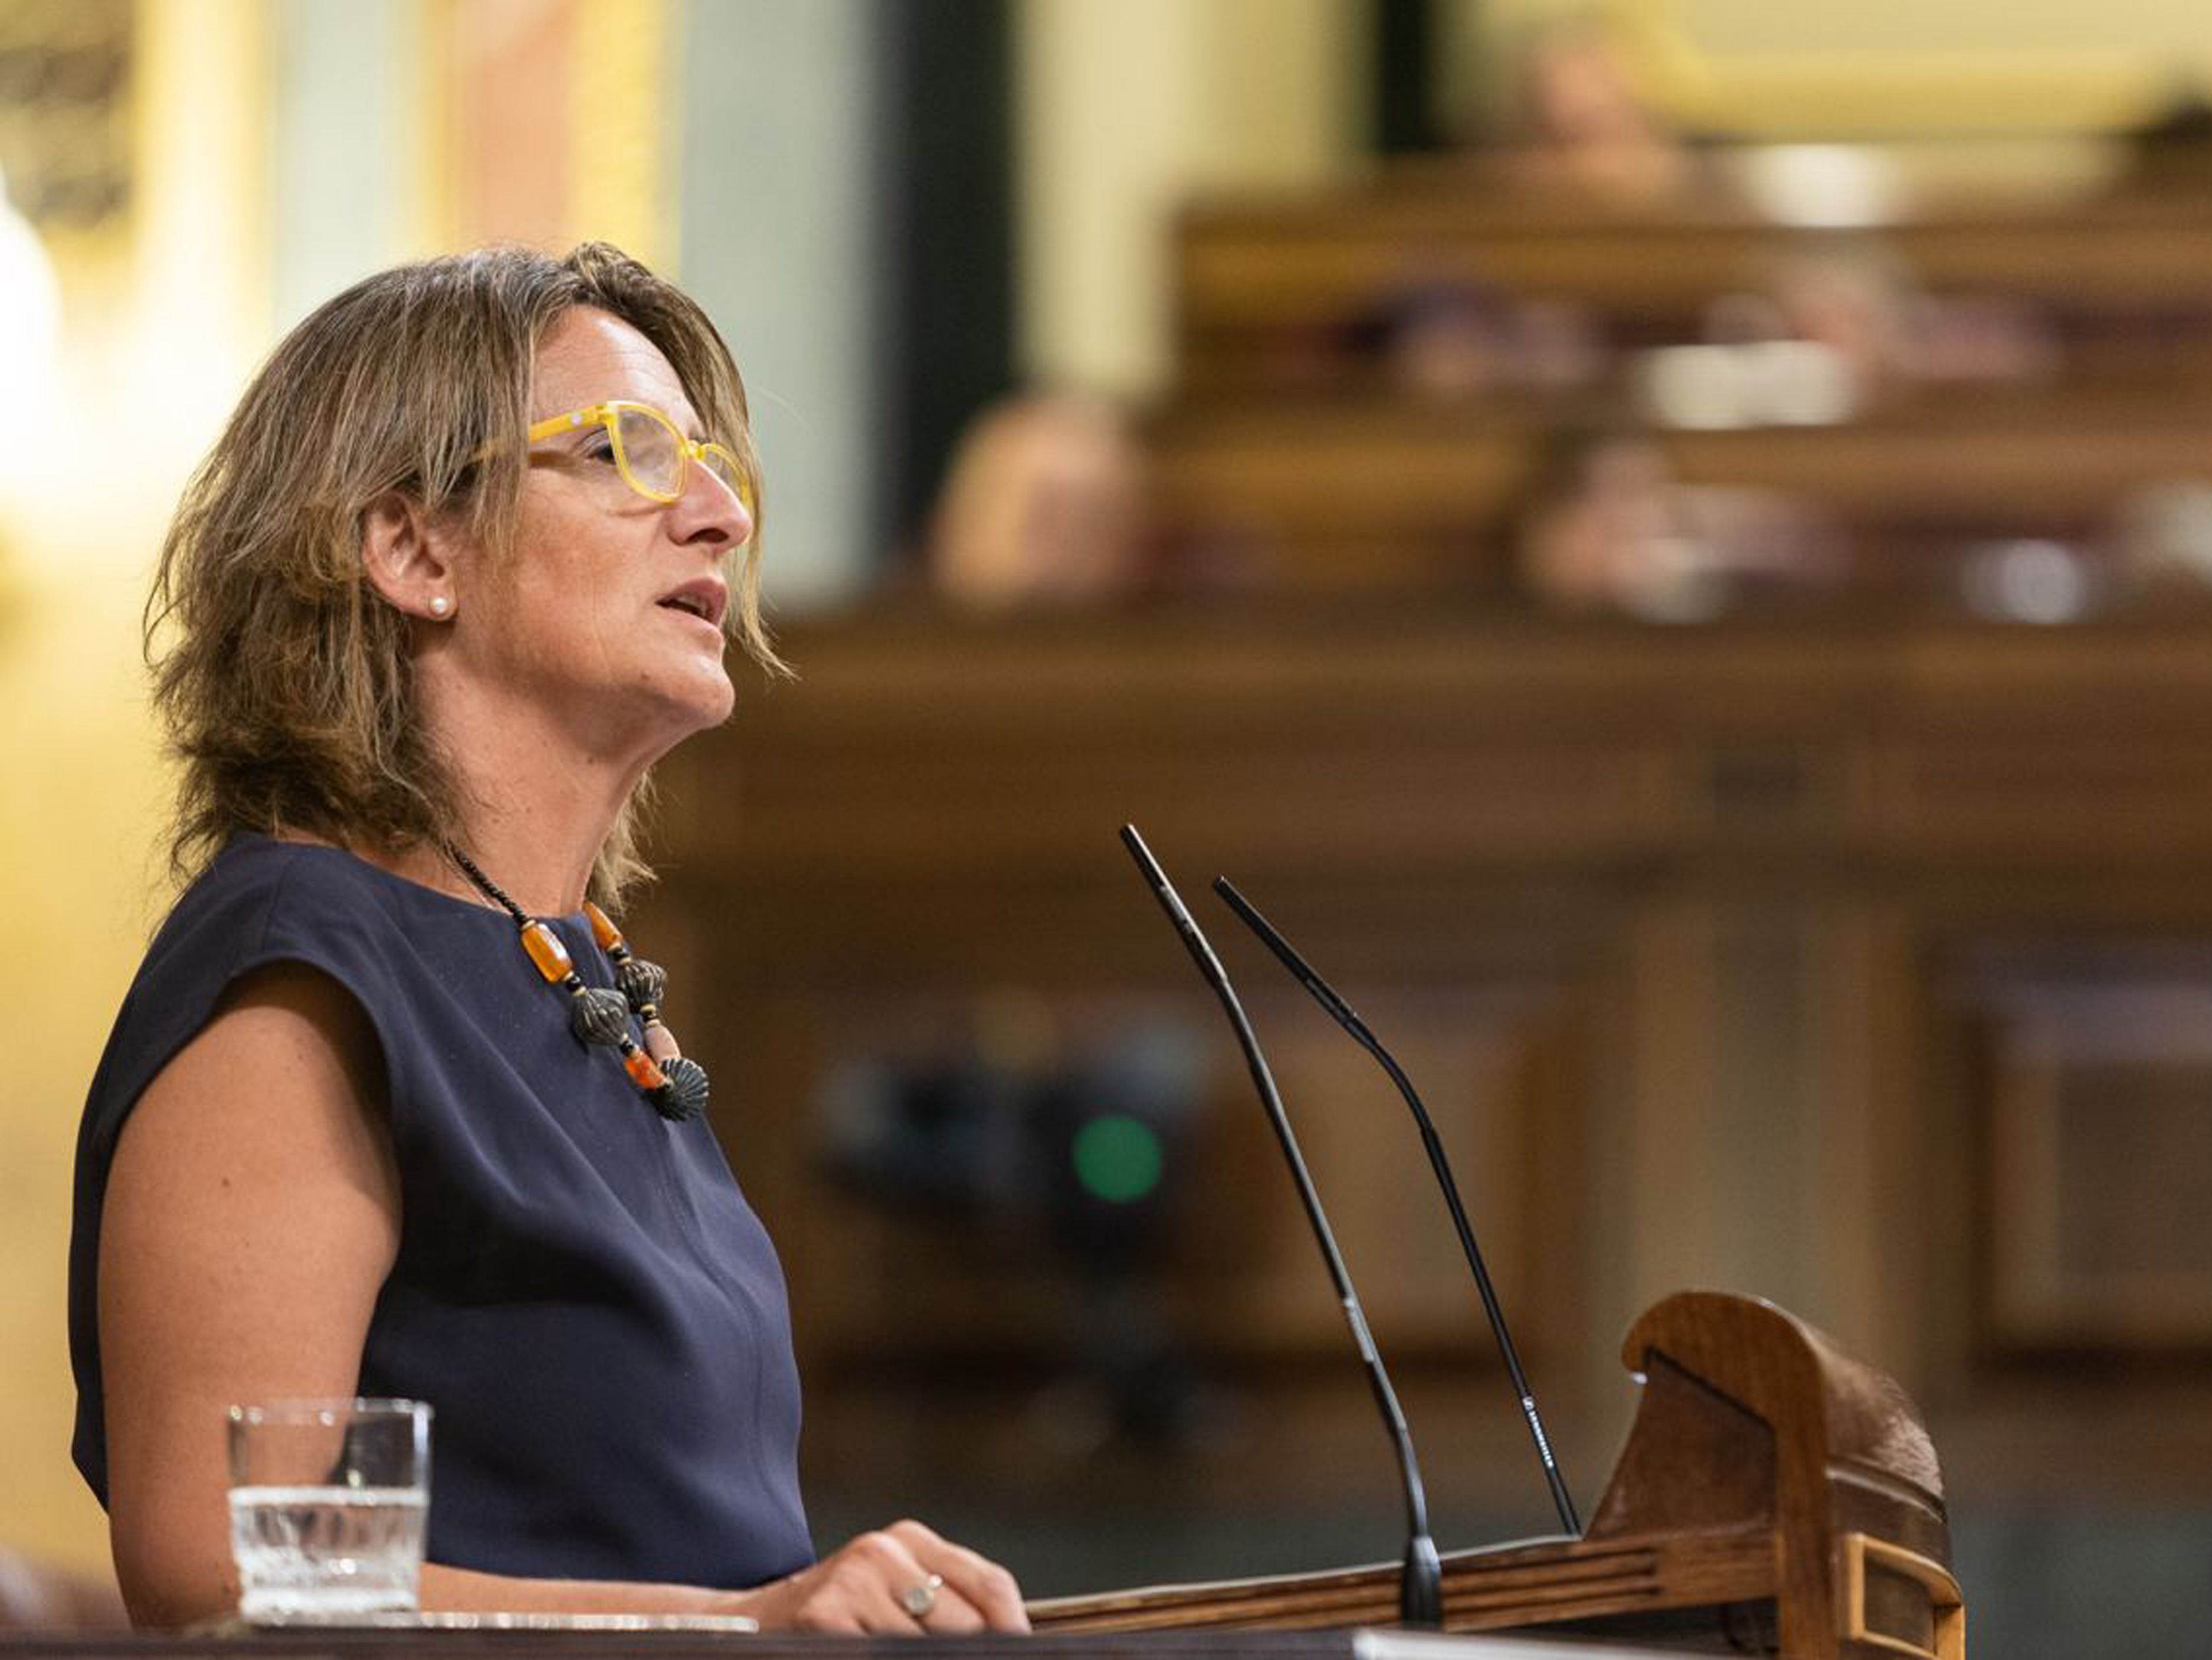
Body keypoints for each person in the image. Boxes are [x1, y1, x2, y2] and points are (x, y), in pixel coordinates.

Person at [67, 244, 1030, 1633]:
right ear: (412, 548)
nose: (717, 518)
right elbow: (226, 1578)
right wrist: (754, 1632)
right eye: (629, 453)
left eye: (713, 466)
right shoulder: (305, 977)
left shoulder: (568, 971)